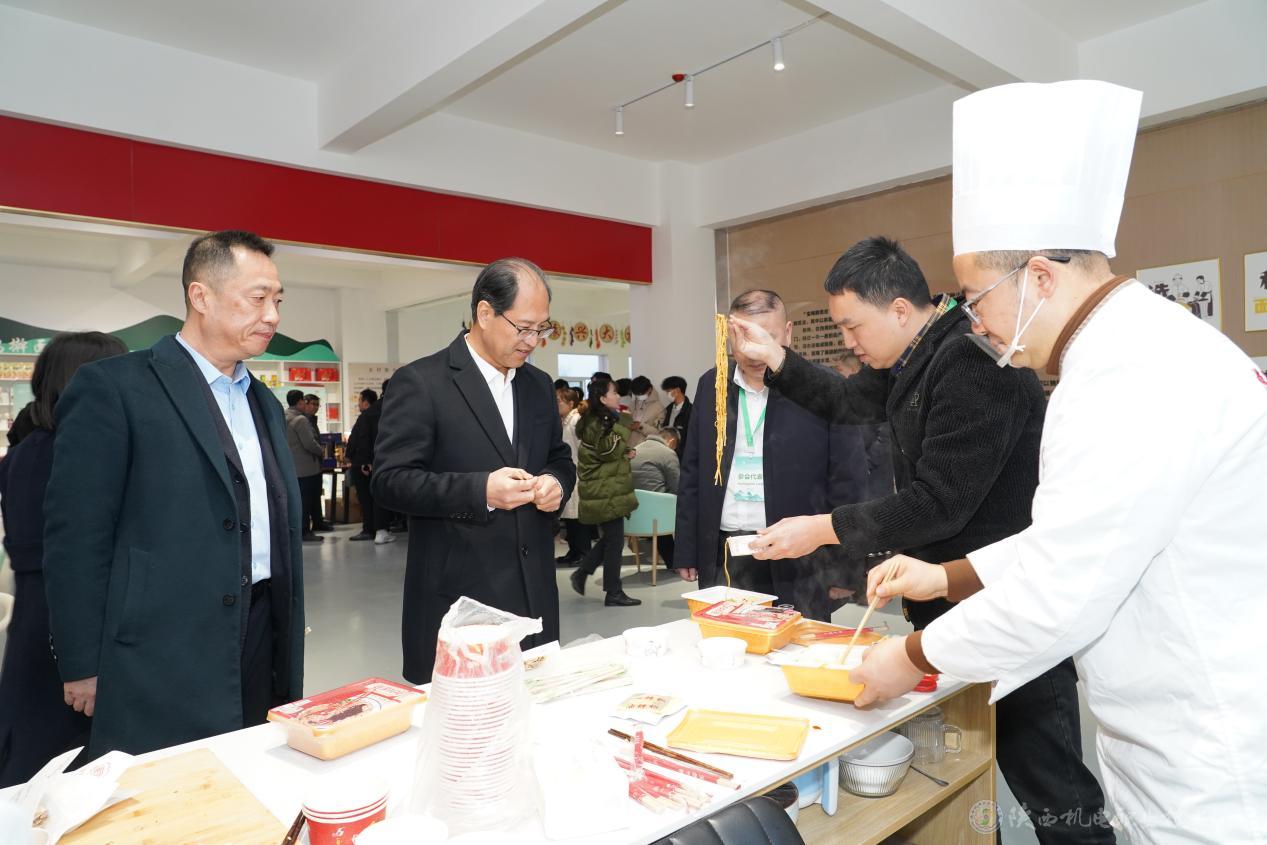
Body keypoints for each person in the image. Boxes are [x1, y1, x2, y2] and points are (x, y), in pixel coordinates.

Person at [847, 80, 1267, 842]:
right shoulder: (1131, 347)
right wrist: (946, 577)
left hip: (1211, 746)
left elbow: (1058, 588)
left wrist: (909, 655)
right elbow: (1084, 534)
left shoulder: (1127, 373)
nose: (972, 321)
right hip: (1180, 725)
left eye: (974, 297)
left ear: (1039, 277)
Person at [730, 241, 1111, 843]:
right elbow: (844, 400)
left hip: (1004, 597)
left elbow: (941, 502)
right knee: (965, 761)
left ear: (900, 310)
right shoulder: (916, 356)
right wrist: (776, 356)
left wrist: (823, 528)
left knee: (1048, 779)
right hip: (944, 592)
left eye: (853, 326)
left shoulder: (969, 362)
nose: (848, 341)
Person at [42, 230, 305, 760]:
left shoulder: (264, 403)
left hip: (260, 629)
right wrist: (82, 661)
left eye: (277, 300)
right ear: (200, 296)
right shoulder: (116, 388)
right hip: (160, 645)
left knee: (252, 771)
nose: (272, 315)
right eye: (258, 298)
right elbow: (77, 536)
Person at [373, 257, 575, 683]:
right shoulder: (423, 382)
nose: (534, 341)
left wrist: (557, 482)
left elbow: (558, 457)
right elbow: (390, 481)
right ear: (485, 313)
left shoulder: (537, 386)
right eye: (524, 328)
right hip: (461, 598)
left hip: (534, 593)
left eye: (542, 328)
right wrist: (481, 490)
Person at [676, 290, 867, 623]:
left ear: (788, 333)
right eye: (745, 337)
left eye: (768, 337)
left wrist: (844, 565)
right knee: (727, 642)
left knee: (799, 643)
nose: (756, 350)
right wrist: (687, 548)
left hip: (801, 556)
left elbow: (847, 481)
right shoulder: (712, 385)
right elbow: (693, 470)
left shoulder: (820, 386)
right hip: (725, 550)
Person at [0, 331, 127, 787]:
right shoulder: (81, 455)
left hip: (32, 620)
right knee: (76, 760)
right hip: (78, 620)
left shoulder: (22, 451)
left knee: (30, 750)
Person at [568, 376, 640, 607]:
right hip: (604, 489)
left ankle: (583, 573)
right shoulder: (599, 422)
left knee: (611, 538)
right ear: (602, 398)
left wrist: (625, 451)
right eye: (614, 392)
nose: (618, 396)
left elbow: (605, 450)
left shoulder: (601, 419)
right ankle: (613, 591)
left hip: (606, 487)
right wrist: (624, 422)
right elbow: (607, 451)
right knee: (614, 541)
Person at [344, 388, 393, 544]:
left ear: (365, 402)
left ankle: (371, 529)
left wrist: (363, 460)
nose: (358, 404)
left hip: (365, 463)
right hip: (371, 462)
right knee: (374, 498)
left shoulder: (370, 414)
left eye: (359, 401)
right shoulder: (381, 412)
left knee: (368, 498)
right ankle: (376, 529)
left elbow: (363, 438)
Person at [555, 386, 592, 566]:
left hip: (579, 473)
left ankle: (583, 553)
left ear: (571, 403)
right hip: (571, 472)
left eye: (559, 402)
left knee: (578, 517)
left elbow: (585, 449)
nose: (556, 405)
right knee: (570, 517)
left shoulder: (576, 420)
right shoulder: (565, 421)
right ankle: (574, 551)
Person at [285, 389, 326, 542]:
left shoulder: (284, 416)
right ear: (300, 402)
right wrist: (321, 451)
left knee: (298, 501)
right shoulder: (300, 420)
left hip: (292, 467)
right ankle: (304, 531)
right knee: (306, 501)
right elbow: (309, 443)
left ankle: (299, 530)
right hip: (306, 467)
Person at [631, 427, 680, 494]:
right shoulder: (669, 453)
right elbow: (676, 487)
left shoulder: (636, 448)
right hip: (654, 498)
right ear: (672, 441)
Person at [659, 375, 692, 456]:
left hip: (683, 454)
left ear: (677, 390)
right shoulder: (668, 409)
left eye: (668, 391)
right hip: (666, 452)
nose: (667, 394)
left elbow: (692, 437)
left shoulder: (691, 411)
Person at [627, 375, 664, 446]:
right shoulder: (632, 404)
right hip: (629, 446)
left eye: (640, 394)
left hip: (646, 447)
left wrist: (640, 426)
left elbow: (658, 432)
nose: (638, 396)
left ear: (649, 389)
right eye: (636, 394)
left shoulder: (659, 407)